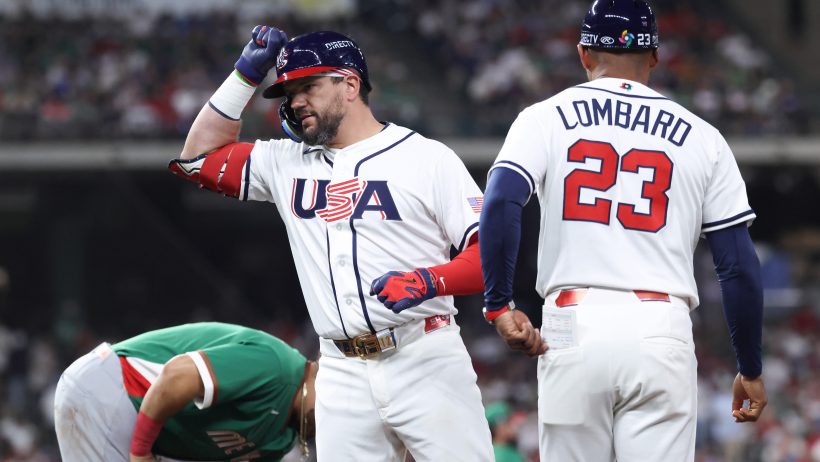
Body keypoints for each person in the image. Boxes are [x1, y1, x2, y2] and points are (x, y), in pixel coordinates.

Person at [168, 27, 493, 461]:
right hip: (339, 370)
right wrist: (245, 75)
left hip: (424, 354)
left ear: (350, 85)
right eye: (289, 93)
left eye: (309, 87)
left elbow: (492, 256)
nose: (296, 101)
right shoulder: (285, 161)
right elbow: (196, 159)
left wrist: (430, 281)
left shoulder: (426, 158)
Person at [478, 1, 768, 460]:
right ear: (655, 56)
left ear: (583, 53)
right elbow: (737, 267)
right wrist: (749, 367)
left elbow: (500, 202)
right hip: (660, 325)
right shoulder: (704, 137)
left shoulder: (544, 117)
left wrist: (499, 303)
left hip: (571, 321)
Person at [53, 322, 317, 462]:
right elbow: (177, 376)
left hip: (134, 416)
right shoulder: (275, 366)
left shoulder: (284, 437)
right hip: (114, 389)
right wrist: (141, 452)